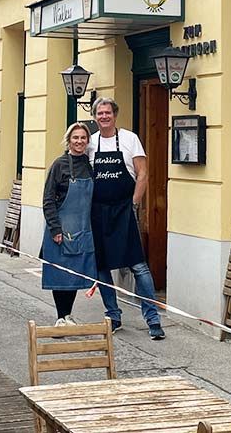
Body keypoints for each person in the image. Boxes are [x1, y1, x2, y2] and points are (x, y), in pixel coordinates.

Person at [88, 97, 165, 340]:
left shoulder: (130, 139)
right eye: (100, 113)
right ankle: (113, 314)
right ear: (95, 117)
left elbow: (142, 174)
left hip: (124, 210)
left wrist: (134, 204)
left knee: (139, 265)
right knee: (101, 267)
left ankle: (153, 319)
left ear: (115, 114)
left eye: (107, 112)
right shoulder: (91, 142)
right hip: (98, 212)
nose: (104, 117)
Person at [41, 122, 97, 326]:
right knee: (60, 274)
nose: (79, 141)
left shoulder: (90, 165)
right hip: (61, 230)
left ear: (87, 141)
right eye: (76, 138)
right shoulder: (59, 164)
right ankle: (60, 316)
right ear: (69, 141)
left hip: (81, 229)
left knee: (74, 274)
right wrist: (55, 228)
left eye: (83, 138)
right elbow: (48, 198)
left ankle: (68, 315)